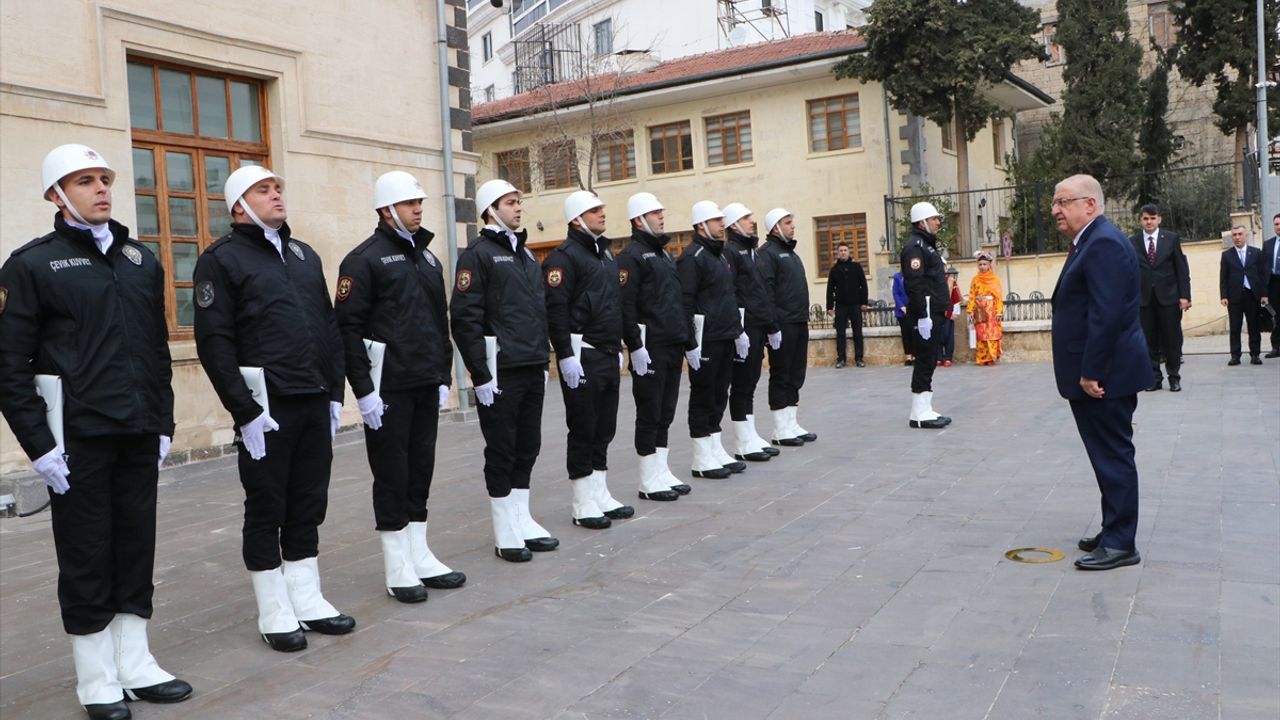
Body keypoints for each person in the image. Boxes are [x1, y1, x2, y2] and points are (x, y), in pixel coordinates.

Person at [0, 144, 192, 720]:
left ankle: (136, 663)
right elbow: (10, 365)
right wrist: (41, 447)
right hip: (77, 440)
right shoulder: (30, 265)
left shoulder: (140, 259)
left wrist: (163, 424)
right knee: (87, 554)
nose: (101, 189)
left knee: (136, 548)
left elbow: (156, 353)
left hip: (136, 431)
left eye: (104, 179)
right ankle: (96, 677)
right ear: (57, 196)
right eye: (85, 181)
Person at [194, 165, 355, 651]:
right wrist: (243, 411)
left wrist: (334, 392)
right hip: (266, 407)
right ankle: (274, 610)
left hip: (312, 398)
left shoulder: (303, 255)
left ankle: (306, 598)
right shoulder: (221, 260)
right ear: (240, 205)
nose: (276, 195)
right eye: (264, 190)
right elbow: (214, 341)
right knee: (267, 505)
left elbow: (327, 327)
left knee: (308, 501)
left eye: (278, 187)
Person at [335, 171, 465, 605]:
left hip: (424, 382)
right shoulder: (363, 260)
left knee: (420, 471)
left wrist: (444, 374)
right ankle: (397, 566)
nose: (418, 210)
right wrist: (364, 390)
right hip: (388, 389)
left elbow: (438, 321)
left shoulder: (428, 259)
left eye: (420, 203)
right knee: (392, 475)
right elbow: (348, 330)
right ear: (387, 210)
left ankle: (419, 554)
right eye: (410, 204)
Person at [450, 179, 558, 562]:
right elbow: (465, 318)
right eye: (511, 203)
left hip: (529, 364)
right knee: (502, 449)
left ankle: (521, 517)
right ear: (491, 209)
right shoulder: (477, 255)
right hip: (500, 372)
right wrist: (480, 374)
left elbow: (537, 312)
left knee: (528, 445)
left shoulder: (526, 255)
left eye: (518, 202)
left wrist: (544, 358)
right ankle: (504, 529)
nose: (518, 208)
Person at [1050, 174, 1151, 571]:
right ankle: (1113, 529)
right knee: (1104, 455)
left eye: (1063, 201)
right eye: (1055, 203)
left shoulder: (1103, 243)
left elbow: (1107, 315)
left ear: (1089, 204)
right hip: (1099, 371)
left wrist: (1091, 371)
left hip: (1104, 375)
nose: (1055, 210)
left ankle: (1122, 542)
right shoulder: (1092, 241)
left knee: (1112, 455)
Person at [543, 190, 633, 529]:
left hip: (608, 353)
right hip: (583, 355)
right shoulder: (562, 259)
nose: (602, 214)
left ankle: (599, 492)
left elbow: (616, 306)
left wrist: (625, 346)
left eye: (601, 209)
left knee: (604, 428)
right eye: (594, 210)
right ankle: (582, 501)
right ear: (576, 218)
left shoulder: (607, 256)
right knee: (583, 427)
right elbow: (556, 312)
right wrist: (565, 355)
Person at [618, 193, 690, 501]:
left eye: (661, 211)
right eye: (655, 212)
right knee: (649, 411)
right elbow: (626, 306)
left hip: (671, 344)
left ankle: (661, 469)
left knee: (666, 411)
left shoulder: (662, 254)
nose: (662, 216)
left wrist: (687, 340)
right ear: (638, 220)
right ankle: (648, 477)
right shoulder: (630, 256)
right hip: (651, 348)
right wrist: (635, 346)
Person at [678, 201, 748, 479]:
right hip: (705, 340)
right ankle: (700, 457)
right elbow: (685, 302)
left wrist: (738, 331)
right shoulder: (692, 258)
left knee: (720, 394)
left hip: (724, 336)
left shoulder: (720, 256)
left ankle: (715, 449)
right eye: (716, 220)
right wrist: (690, 343)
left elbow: (727, 298)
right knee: (703, 395)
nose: (722, 224)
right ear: (701, 225)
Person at [722, 202, 780, 462]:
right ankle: (741, 440)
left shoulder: (751, 251)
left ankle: (750, 433)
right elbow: (731, 293)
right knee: (742, 383)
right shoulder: (732, 252)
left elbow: (761, 292)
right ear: (733, 225)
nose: (752, 221)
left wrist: (770, 325)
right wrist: (737, 329)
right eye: (746, 218)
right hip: (744, 328)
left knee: (752, 381)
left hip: (757, 325)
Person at [759, 208, 818, 445]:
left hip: (798, 321)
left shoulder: (791, 254)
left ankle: (791, 422)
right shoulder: (767, 254)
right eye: (787, 222)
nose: (792, 226)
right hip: (782, 324)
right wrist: (772, 327)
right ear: (775, 227)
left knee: (796, 374)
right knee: (781, 373)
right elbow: (767, 293)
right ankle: (779, 428)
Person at [1129, 204, 1191, 391]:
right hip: (1144, 299)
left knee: (1172, 339)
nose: (1149, 222)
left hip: (1169, 298)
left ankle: (1174, 377)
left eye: (1152, 218)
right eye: (1145, 218)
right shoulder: (1133, 242)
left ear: (1159, 219)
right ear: (1140, 220)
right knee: (1148, 340)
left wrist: (1185, 296)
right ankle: (1154, 378)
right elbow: (1129, 272)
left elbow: (1181, 268)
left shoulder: (1171, 239)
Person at [900, 203, 951, 429]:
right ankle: (919, 413)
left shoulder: (926, 246)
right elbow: (915, 282)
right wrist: (922, 315)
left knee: (930, 359)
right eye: (934, 219)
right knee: (924, 360)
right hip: (926, 314)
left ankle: (925, 407)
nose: (938, 222)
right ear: (922, 222)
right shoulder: (915, 247)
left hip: (934, 312)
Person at [1218, 225, 1269, 366]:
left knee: (1254, 326)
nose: (1237, 237)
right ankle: (1235, 355)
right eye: (1234, 235)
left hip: (1252, 295)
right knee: (1235, 328)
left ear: (1245, 235)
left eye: (1240, 234)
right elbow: (1223, 277)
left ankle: (1255, 354)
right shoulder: (1227, 255)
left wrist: (1264, 294)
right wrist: (1223, 295)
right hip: (1234, 296)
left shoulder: (1256, 253)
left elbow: (1262, 275)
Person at [826, 242, 869, 368]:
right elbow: (830, 289)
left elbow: (863, 285)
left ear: (849, 252)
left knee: (858, 332)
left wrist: (864, 302)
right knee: (840, 333)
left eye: (845, 250)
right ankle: (841, 359)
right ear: (838, 253)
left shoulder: (856, 267)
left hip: (855, 305)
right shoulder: (834, 270)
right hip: (841, 306)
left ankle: (859, 358)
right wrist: (829, 306)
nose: (843, 252)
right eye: (841, 250)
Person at [966, 251, 1004, 366]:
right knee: (981, 334)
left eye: (984, 264)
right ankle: (982, 358)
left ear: (989, 265)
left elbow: (998, 297)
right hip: (979, 310)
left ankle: (992, 357)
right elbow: (972, 294)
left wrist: (999, 311)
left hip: (991, 310)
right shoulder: (975, 279)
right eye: (980, 264)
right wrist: (970, 310)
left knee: (991, 334)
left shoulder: (995, 279)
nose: (982, 267)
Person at [1263, 213, 1280, 358]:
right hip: (1273, 284)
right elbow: (1263, 268)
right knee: (1275, 316)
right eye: (1276, 224)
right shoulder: (1268, 244)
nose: (1278, 226)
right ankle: (1276, 347)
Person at [939, 266, 961, 367]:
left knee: (948, 335)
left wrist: (955, 312)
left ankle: (948, 357)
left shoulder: (951, 281)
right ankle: (938, 357)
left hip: (948, 312)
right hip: (936, 312)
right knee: (936, 335)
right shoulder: (932, 280)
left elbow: (955, 297)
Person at [892, 271, 913, 365]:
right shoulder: (897, 277)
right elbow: (895, 293)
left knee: (915, 334)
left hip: (913, 309)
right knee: (906, 334)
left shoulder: (915, 274)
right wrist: (902, 306)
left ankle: (916, 356)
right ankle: (908, 357)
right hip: (902, 311)